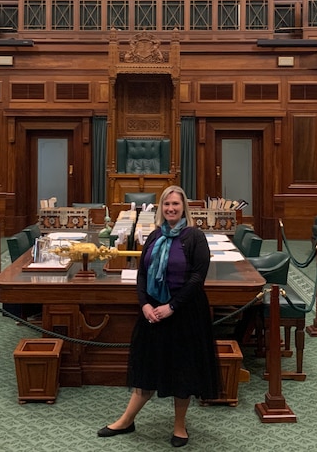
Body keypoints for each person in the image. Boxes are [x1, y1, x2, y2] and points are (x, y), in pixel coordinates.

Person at [97, 185, 219, 448]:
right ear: (161, 209)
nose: (171, 209)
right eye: (166, 205)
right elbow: (142, 273)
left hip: (184, 313)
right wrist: (144, 305)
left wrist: (172, 306)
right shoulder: (154, 236)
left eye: (175, 204)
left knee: (182, 370)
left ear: (183, 207)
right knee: (147, 367)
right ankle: (126, 420)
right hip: (153, 313)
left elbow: (198, 277)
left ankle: (179, 426)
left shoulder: (194, 237)